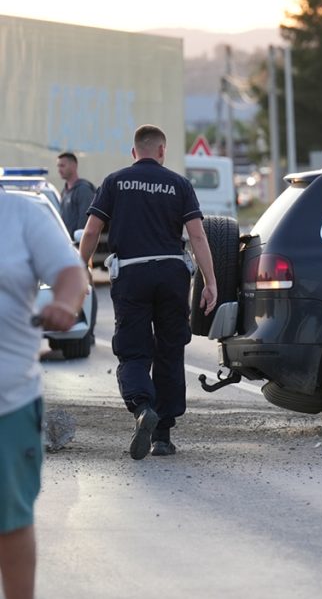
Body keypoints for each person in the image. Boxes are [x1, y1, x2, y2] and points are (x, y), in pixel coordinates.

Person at [78, 125, 218, 460]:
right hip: (172, 273)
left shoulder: (115, 182)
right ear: (161, 151)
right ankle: (162, 438)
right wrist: (210, 281)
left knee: (133, 351)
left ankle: (142, 407)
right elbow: (197, 237)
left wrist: (80, 268)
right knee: (170, 351)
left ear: (134, 152)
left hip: (132, 273)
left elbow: (92, 229)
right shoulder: (179, 184)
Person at [0, 190, 88, 599]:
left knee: (11, 523)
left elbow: (71, 273)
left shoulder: (20, 214)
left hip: (9, 402)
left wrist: (66, 303)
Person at [56, 152, 95, 235]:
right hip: (67, 241)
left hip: (78, 243)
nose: (59, 170)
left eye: (62, 166)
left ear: (74, 166)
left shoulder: (83, 190)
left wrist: (79, 239)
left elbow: (85, 220)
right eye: (58, 166)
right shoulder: (65, 191)